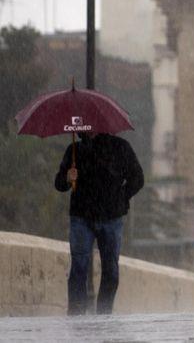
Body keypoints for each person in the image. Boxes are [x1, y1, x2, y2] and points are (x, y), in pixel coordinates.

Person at [53, 132, 144, 315]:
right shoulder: (74, 151)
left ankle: (104, 313)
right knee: (79, 266)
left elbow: (137, 178)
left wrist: (120, 198)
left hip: (112, 218)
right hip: (81, 217)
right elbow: (59, 184)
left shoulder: (120, 147)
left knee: (110, 269)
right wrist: (68, 178)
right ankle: (76, 313)